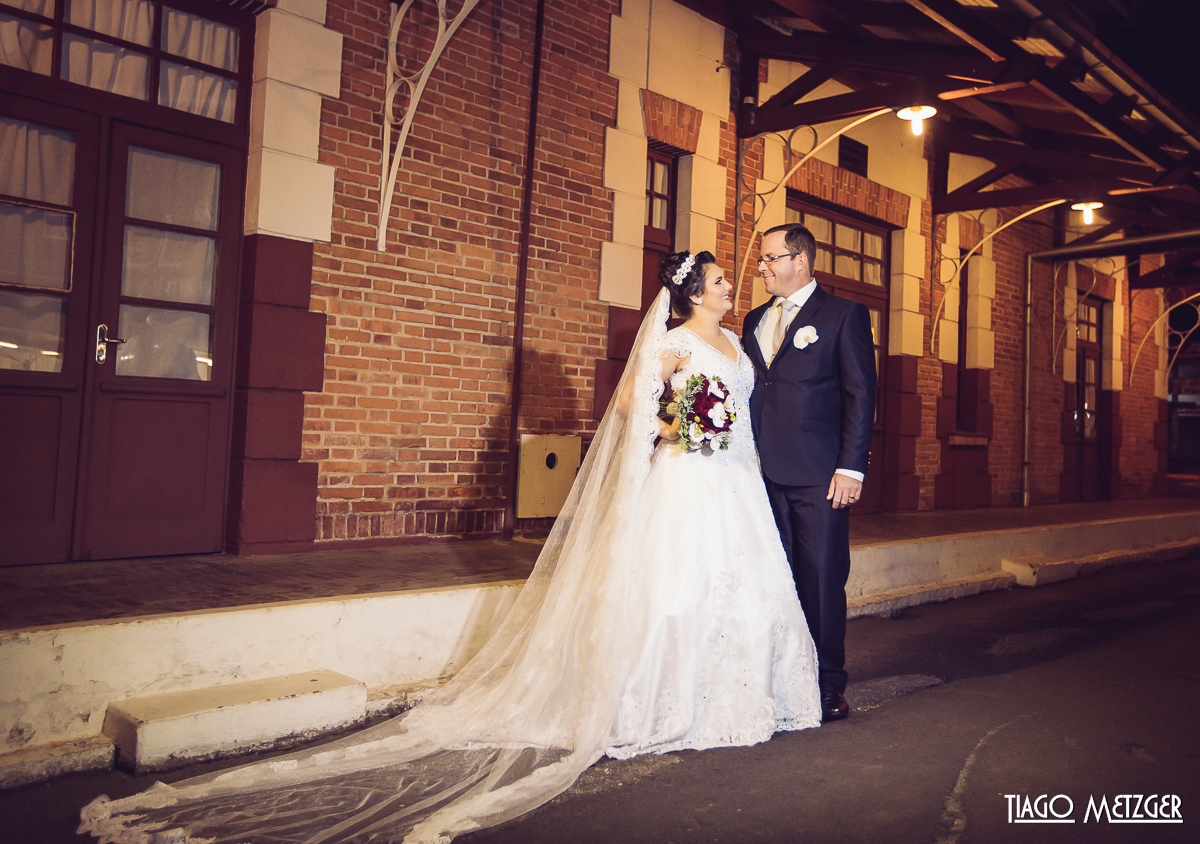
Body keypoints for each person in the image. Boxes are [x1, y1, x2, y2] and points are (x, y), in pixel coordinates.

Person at [80, 251, 820, 844]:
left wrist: (717, 431)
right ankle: (660, 702)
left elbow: (741, 405)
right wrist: (675, 428)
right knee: (673, 592)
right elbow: (630, 404)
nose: (732, 286)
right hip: (689, 480)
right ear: (692, 294)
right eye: (722, 281)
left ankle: (749, 697)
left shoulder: (735, 339)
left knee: (744, 591)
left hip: (738, 481)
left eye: (730, 281)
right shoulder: (678, 341)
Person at [742, 223, 877, 723]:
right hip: (758, 474)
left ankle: (826, 687)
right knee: (773, 580)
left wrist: (851, 467)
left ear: (800, 259)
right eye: (761, 261)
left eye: (770, 259)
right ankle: (780, 677)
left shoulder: (843, 315)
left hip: (820, 475)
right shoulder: (755, 320)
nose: (761, 268)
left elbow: (862, 396)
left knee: (820, 579)